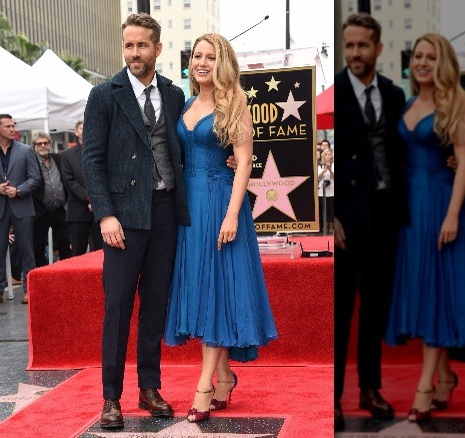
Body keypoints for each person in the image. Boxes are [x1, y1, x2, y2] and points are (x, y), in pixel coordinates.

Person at [163, 33, 278, 423]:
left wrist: (232, 215)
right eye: (197, 56)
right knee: (202, 288)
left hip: (220, 203)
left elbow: (244, 162)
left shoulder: (237, 103)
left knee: (216, 288)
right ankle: (226, 376)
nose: (203, 62)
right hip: (189, 208)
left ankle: (205, 386)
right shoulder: (186, 103)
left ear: (223, 62)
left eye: (211, 57)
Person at [82, 13, 190, 430]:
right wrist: (106, 214)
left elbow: (186, 149)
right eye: (128, 45)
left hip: (165, 212)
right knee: (118, 307)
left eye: (142, 45)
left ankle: (149, 388)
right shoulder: (104, 95)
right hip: (123, 218)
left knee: (155, 306)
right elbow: (92, 160)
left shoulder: (175, 94)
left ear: (158, 49)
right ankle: (111, 398)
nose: (134, 53)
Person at [385, 33, 465, 423]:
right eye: (418, 55)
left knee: (436, 289)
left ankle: (425, 388)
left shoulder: (456, 103)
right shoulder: (409, 103)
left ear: (443, 62)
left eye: (431, 57)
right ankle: (447, 375)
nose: (423, 62)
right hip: (409, 211)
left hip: (441, 205)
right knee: (426, 290)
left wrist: (452, 215)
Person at [333, 13, 408, 430]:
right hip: (347, 222)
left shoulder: (396, 95)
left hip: (385, 218)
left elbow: (409, 147)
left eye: (363, 46)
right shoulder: (336, 92)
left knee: (375, 310)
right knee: (342, 313)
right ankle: (335, 399)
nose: (356, 53)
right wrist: (332, 219)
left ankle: (370, 389)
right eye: (350, 46)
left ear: (378, 48)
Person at [0, 114, 40, 305]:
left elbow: (36, 178)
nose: (12, 129)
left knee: (27, 250)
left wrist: (18, 190)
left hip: (21, 206)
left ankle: (29, 289)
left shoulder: (26, 150)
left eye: (13, 126)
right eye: (8, 126)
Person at [60, 120, 102, 255]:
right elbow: (69, 181)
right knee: (78, 253)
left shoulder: (101, 151)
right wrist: (88, 198)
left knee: (101, 253)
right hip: (78, 211)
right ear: (76, 132)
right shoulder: (67, 155)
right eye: (82, 128)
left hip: (100, 211)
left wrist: (96, 199)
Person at [31, 130, 71, 266]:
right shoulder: (31, 162)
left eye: (46, 143)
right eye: (39, 144)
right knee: (38, 247)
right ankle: (42, 278)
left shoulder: (58, 158)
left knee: (65, 244)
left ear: (50, 144)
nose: (43, 146)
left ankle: (66, 273)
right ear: (34, 146)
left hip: (60, 209)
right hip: (40, 211)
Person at [318, 146, 334, 232]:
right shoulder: (320, 166)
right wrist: (323, 171)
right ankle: (324, 226)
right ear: (323, 156)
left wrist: (330, 170)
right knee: (324, 210)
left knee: (332, 210)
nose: (328, 156)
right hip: (321, 192)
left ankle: (332, 226)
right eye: (326, 154)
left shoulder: (334, 164)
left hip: (332, 191)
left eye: (329, 154)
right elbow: (317, 178)